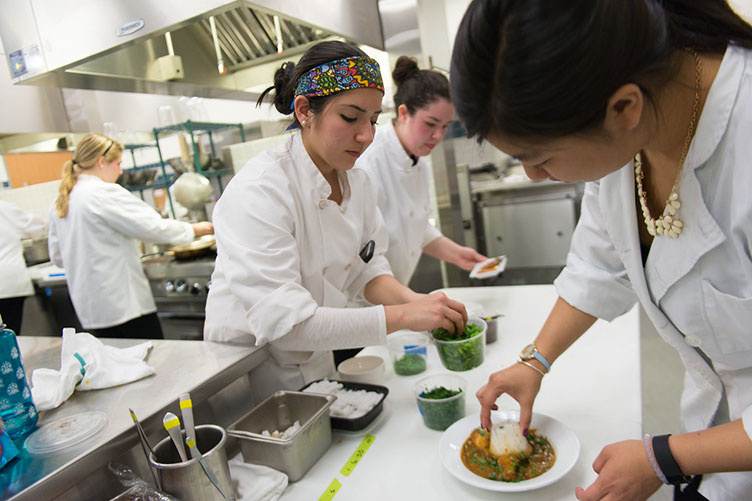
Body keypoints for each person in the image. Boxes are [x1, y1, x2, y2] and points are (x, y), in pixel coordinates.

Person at [450, 1, 752, 500]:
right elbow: (600, 261)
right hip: (713, 436)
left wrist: (663, 458)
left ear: (623, 108)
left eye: (540, 158)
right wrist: (534, 363)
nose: (532, 175)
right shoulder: (631, 125)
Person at [204, 41, 467, 402]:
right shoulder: (261, 189)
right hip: (250, 379)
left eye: (373, 120)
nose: (367, 135)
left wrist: (417, 301)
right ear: (304, 111)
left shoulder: (356, 182)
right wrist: (405, 316)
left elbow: (366, 270)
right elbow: (288, 326)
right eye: (350, 117)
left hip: (316, 365)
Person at [48, 133, 213, 339]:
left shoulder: (60, 202)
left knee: (118, 367)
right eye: (117, 163)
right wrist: (197, 229)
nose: (120, 170)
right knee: (149, 364)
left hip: (92, 311)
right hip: (124, 306)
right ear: (101, 162)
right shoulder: (102, 193)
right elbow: (153, 227)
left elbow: (57, 257)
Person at [355, 56, 486, 286]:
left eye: (445, 126)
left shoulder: (418, 162)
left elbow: (415, 227)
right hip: (365, 304)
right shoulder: (368, 163)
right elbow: (361, 255)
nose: (439, 135)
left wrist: (457, 254)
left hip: (396, 295)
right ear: (404, 113)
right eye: (430, 124)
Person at [0, 201, 46, 334]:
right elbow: (37, 228)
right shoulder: (5, 209)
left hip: (8, 284)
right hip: (9, 283)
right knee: (9, 334)